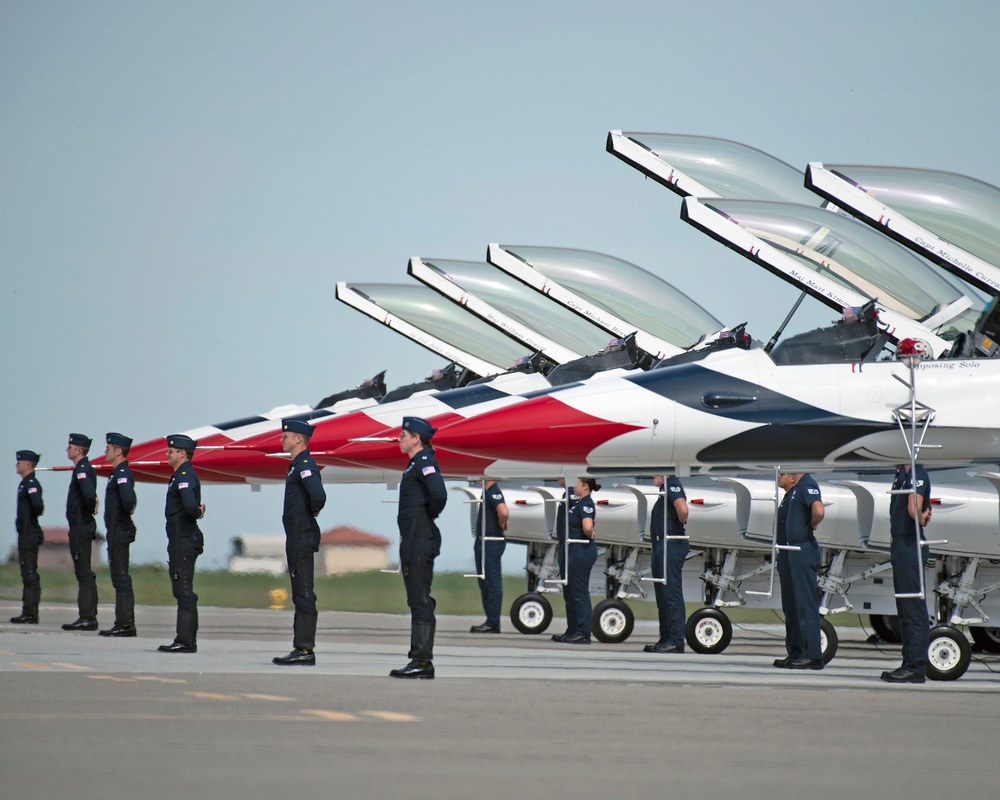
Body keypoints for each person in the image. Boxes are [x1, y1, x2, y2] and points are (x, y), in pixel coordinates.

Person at [390, 416, 447, 679]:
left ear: (416, 439)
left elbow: (439, 495)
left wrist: (427, 518)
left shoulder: (424, 462)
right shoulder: (415, 464)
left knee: (421, 598)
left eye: (403, 434)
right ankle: (419, 659)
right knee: (415, 598)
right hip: (413, 538)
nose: (399, 438)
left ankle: (422, 662)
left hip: (420, 538)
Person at [273, 419, 326, 666]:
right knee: (299, 592)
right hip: (296, 534)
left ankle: (305, 650)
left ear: (299, 439)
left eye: (286, 436)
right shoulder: (295, 465)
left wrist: (310, 512)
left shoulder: (304, 464)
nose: (282, 440)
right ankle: (301, 648)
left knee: (304, 593)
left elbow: (318, 495)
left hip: (302, 534)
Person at [881, 463, 932, 684]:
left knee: (912, 608)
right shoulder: (902, 474)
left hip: (909, 546)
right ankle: (909, 663)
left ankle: (915, 667)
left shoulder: (917, 473)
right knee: (904, 608)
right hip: (901, 545)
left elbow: (914, 509)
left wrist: (921, 517)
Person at [773, 472, 825, 670]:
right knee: (791, 605)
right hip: (788, 551)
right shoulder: (792, 493)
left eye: (784, 473)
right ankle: (796, 653)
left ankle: (813, 655)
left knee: (805, 603)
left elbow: (818, 511)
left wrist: (812, 525)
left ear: (793, 477)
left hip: (801, 549)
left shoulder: (806, 485)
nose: (779, 476)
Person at [159, 434, 205, 653]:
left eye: (171, 451)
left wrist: (198, 512)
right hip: (179, 538)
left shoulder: (185, 475)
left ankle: (186, 641)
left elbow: (189, 505)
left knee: (184, 590)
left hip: (184, 539)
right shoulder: (180, 475)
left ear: (182, 453)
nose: (168, 454)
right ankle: (185, 639)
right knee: (181, 589)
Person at [643, 474, 689, 653]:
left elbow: (683, 509)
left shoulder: (672, 484)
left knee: (671, 593)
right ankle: (666, 637)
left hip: (671, 543)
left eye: (657, 471)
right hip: (662, 545)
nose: (653, 474)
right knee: (663, 596)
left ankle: (676, 641)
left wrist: (681, 519)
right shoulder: (664, 489)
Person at [551, 478, 600, 645]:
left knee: (579, 592)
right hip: (571, 549)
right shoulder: (577, 502)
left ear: (585, 487)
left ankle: (582, 632)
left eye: (577, 483)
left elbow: (587, 526)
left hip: (581, 550)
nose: (574, 486)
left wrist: (590, 531)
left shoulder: (585, 503)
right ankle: (572, 629)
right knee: (569, 592)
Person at [100, 433, 138, 637]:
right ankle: (122, 623)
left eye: (109, 447)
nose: (105, 451)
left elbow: (128, 499)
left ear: (118, 451)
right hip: (116, 530)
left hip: (120, 530)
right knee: (118, 577)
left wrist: (127, 511)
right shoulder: (117, 473)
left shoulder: (122, 473)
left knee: (121, 578)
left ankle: (125, 625)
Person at [63, 433, 99, 631]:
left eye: (70, 447)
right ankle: (87, 616)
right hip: (79, 524)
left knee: (83, 572)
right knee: (82, 571)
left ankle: (87, 617)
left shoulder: (83, 469)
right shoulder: (81, 469)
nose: (67, 450)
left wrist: (89, 508)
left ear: (78, 450)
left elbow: (88, 494)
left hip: (81, 525)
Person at [470, 480, 508, 634]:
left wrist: (502, 523)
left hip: (490, 541)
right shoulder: (487, 492)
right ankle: (490, 619)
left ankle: (493, 622)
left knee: (492, 582)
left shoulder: (493, 492)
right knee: (485, 583)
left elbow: (504, 511)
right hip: (483, 542)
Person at [11, 450, 44, 624]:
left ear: (27, 465)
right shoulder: (24, 483)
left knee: (30, 573)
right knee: (26, 572)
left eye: (19, 462)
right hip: (24, 533)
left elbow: (38, 506)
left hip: (30, 533)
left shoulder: (31, 483)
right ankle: (27, 611)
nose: (16, 465)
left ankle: (31, 613)